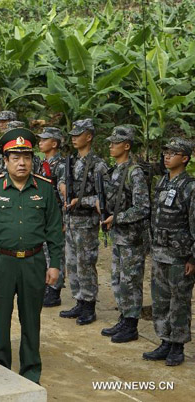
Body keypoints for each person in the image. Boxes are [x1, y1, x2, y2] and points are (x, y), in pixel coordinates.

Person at [0, 128, 63, 384]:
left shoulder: (45, 189)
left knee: (31, 320)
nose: (22, 162)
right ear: (5, 161)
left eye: (26, 157)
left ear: (32, 160)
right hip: (1, 262)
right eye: (15, 157)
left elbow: (54, 229)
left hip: (33, 261)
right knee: (0, 318)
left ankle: (30, 372)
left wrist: (55, 265)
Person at [143, 137, 195, 366]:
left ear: (184, 158)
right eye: (166, 152)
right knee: (161, 299)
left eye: (173, 153)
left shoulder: (190, 186)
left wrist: (192, 257)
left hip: (179, 255)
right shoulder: (163, 182)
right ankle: (164, 339)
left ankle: (177, 345)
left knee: (179, 301)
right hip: (160, 251)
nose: (167, 156)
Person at [99, 126, 150, 343]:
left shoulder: (134, 172)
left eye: (115, 143)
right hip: (119, 236)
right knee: (118, 280)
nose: (111, 146)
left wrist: (117, 217)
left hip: (132, 237)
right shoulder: (116, 170)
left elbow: (143, 207)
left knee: (130, 281)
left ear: (126, 146)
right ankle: (124, 317)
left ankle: (131, 324)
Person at [58, 118, 108, 325]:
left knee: (85, 264)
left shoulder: (98, 164)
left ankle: (89, 304)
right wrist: (62, 188)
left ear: (89, 136)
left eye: (79, 134)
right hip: (71, 221)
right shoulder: (72, 161)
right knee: (72, 263)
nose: (74, 138)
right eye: (73, 135)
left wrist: (81, 200)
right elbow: (62, 180)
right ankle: (79, 299)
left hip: (86, 223)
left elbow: (103, 197)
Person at [37, 127, 66, 307]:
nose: (40, 142)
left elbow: (64, 196)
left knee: (56, 252)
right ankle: (47, 285)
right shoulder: (42, 163)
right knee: (44, 250)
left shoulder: (61, 165)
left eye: (44, 140)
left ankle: (55, 290)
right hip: (43, 213)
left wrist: (62, 219)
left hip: (55, 215)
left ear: (54, 143)